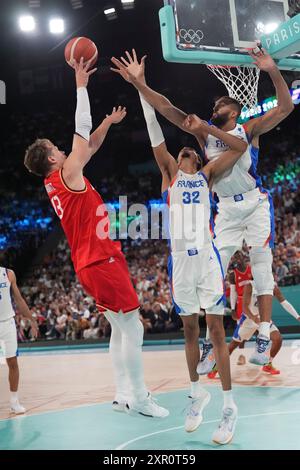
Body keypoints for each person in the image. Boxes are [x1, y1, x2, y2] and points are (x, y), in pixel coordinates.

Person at [111, 47, 294, 366]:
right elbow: (166, 108)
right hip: (225, 210)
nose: (214, 106)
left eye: (219, 105)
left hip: (253, 203)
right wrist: (139, 83)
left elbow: (286, 105)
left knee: (262, 265)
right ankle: (214, 340)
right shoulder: (202, 139)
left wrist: (271, 70)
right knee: (215, 269)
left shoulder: (248, 131)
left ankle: (264, 334)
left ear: (233, 112)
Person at [24, 57, 168, 419]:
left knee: (119, 329)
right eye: (57, 148)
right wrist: (81, 85)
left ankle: (122, 394)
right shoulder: (67, 172)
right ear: (53, 159)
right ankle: (140, 396)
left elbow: (89, 144)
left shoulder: (56, 180)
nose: (63, 148)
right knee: (132, 327)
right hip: (100, 260)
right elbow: (81, 130)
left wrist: (107, 122)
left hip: (88, 262)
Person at [123, 67, 248, 444]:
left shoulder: (208, 174)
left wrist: (208, 133)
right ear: (176, 162)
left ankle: (229, 408)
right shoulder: (170, 176)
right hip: (180, 261)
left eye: (190, 150)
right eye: (183, 151)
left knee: (216, 330)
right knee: (189, 329)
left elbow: (240, 148)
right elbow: (155, 131)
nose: (186, 150)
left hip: (206, 258)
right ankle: (197, 394)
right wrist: (139, 85)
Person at [208, 281, 300, 378]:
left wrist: (297, 316)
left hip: (263, 318)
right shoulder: (250, 285)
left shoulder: (272, 286)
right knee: (232, 345)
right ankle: (215, 367)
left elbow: (284, 302)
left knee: (278, 339)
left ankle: (267, 364)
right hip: (248, 320)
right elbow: (245, 307)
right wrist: (253, 317)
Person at [0, 267, 38, 414]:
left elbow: (19, 299)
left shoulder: (8, 273)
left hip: (8, 323)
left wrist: (32, 319)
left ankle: (14, 402)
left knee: (13, 363)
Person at [229, 251, 253, 365]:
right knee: (240, 333)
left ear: (243, 257)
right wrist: (233, 308)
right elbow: (233, 293)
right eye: (235, 257)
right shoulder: (233, 274)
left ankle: (262, 354)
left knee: (260, 329)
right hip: (241, 304)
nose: (237, 259)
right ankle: (241, 356)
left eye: (239, 256)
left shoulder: (251, 270)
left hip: (253, 302)